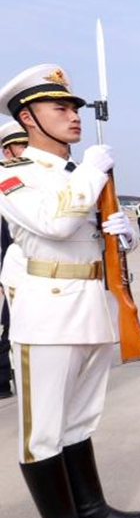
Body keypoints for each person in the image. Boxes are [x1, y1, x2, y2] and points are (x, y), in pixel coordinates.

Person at [0, 64, 140, 518]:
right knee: (43, 426)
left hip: (92, 305)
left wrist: (121, 232)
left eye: (75, 107)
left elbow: (92, 236)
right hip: (47, 311)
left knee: (81, 419)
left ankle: (90, 506)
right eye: (60, 108)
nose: (73, 116)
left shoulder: (78, 175)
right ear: (28, 117)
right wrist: (91, 172)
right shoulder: (14, 175)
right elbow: (56, 223)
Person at [0, 119, 27, 398]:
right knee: (11, 325)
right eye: (22, 145)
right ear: (8, 152)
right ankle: (3, 377)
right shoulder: (6, 181)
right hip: (14, 264)